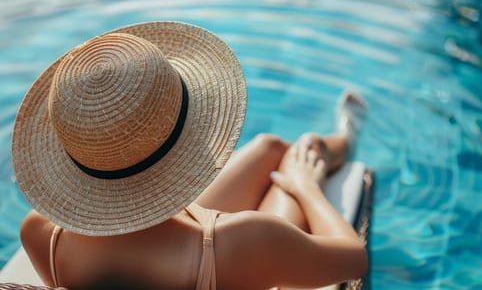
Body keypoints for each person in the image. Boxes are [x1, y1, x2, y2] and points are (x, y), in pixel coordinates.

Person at [12, 22, 368, 290]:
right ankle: (344, 141)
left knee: (268, 146)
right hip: (215, 260)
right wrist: (307, 187)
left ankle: (334, 144)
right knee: (298, 157)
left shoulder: (40, 231)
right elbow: (353, 260)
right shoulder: (252, 238)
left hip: (183, 247)